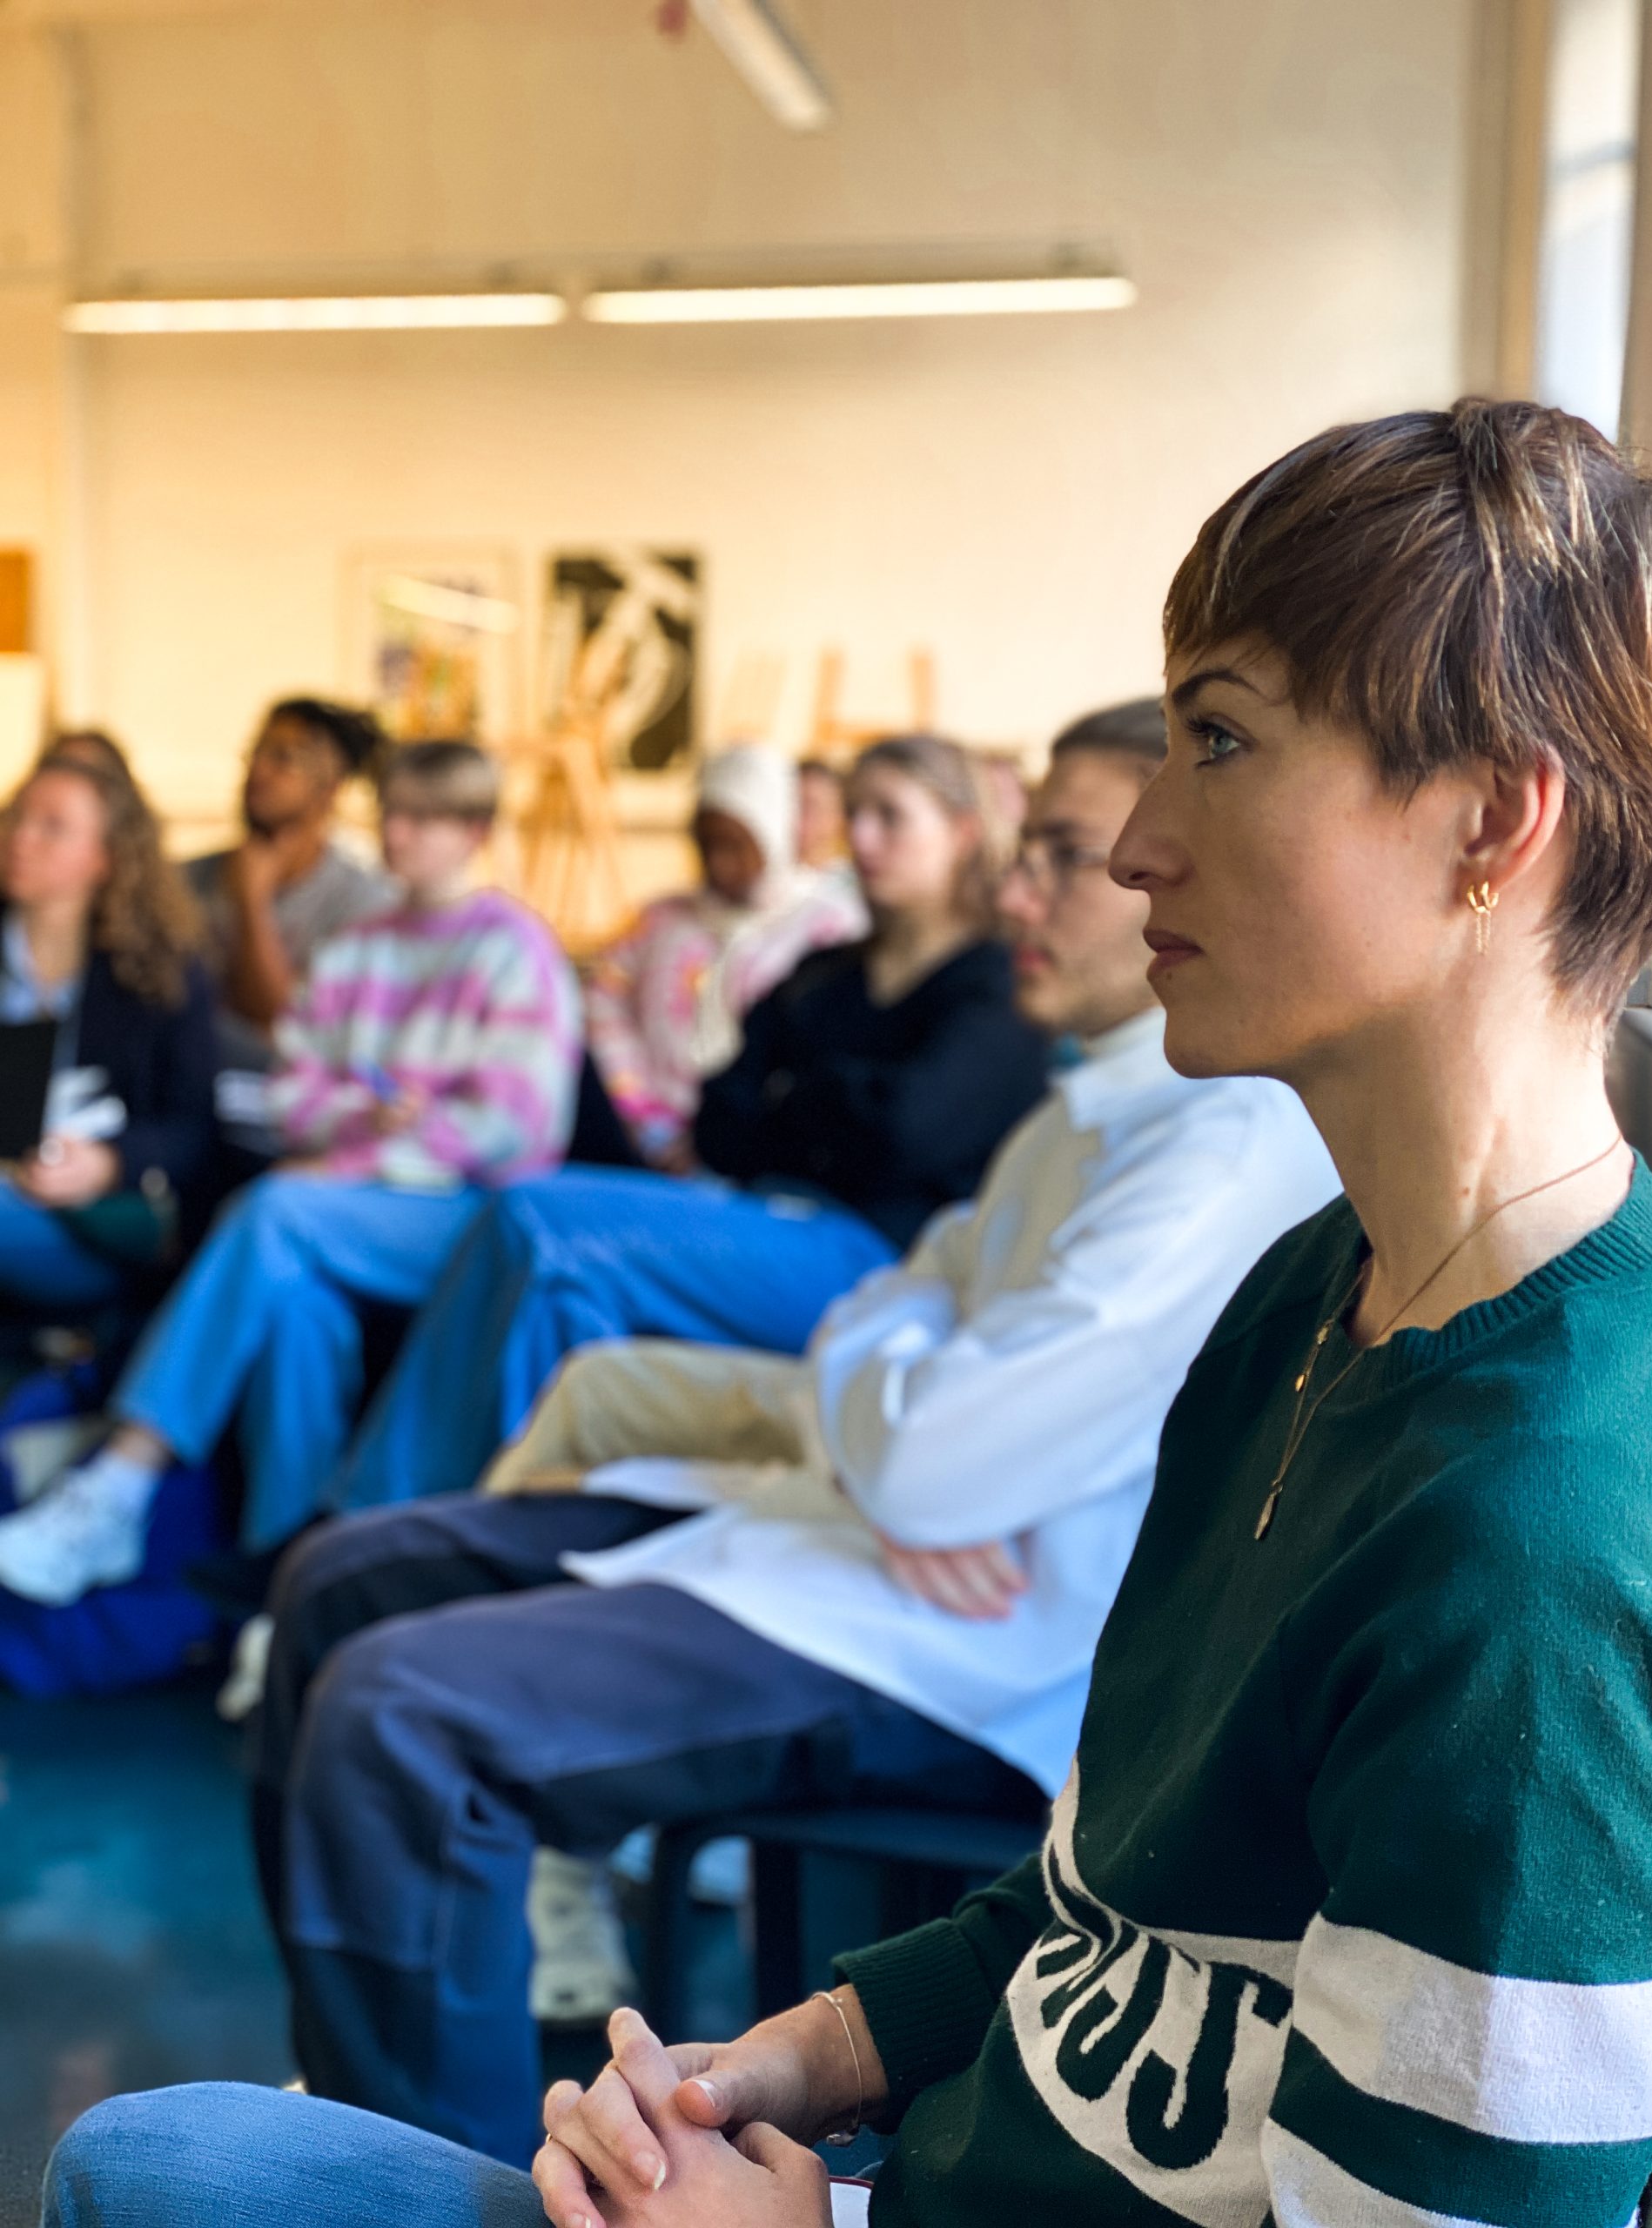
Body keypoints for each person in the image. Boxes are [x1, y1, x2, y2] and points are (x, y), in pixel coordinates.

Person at [52, 399, 1652, 2228]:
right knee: (146, 2149)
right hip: (898, 2163)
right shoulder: (1313, 1290)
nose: (1142, 841)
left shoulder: (1533, 1541)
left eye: (1220, 739)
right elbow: (1092, 1915)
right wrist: (794, 2058)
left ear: (1495, 822)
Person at [232, 696, 1336, 2158]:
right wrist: (906, 1406)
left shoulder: (1218, 1145)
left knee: (396, 1714)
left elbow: (924, 1407)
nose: (1026, 889)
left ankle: (433, 2177)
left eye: (1064, 854)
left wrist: (908, 1409)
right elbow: (885, 1305)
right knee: (338, 1582)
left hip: (968, 1645)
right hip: (868, 1536)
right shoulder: (1088, 1108)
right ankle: (371, 2108)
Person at [327, 733, 1050, 1520]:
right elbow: (719, 1121)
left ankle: (370, 1517)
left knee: (543, 1223)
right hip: (753, 1213)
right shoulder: (824, 973)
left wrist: (796, 1095)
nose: (863, 840)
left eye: (890, 817)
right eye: (854, 816)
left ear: (963, 831)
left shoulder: (1000, 984)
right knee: (559, 1279)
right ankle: (490, 1543)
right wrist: (829, 1105)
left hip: (883, 1258)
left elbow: (910, 1134)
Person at [0, 742, 582, 1606]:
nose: (399, 835)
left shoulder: (515, 948)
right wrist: (366, 1124)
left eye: (424, 819)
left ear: (475, 832)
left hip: (465, 1221)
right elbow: (289, 1096)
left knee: (278, 1210)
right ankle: (296, 1595)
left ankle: (120, 1480)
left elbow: (514, 1127)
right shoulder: (356, 949)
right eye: (390, 813)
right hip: (342, 1204)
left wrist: (365, 1150)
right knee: (295, 1312)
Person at [0, 751, 215, 1319]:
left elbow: (195, 1130)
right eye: (16, 816)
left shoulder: (158, 971)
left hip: (88, 1221)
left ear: (105, 857)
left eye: (53, 826)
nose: (21, 836)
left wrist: (108, 1162)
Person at [585, 744, 865, 1166]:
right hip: (642, 1141)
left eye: (737, 844)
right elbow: (603, 1004)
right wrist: (643, 1116)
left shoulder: (827, 929)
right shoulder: (661, 922)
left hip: (755, 1152)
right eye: (707, 844)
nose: (719, 863)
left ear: (774, 832)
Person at [185, 696, 395, 1070]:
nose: (257, 770)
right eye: (256, 752)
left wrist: (252, 902)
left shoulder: (365, 901)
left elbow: (288, 1023)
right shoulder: (185, 879)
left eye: (283, 758)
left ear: (329, 787)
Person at [795, 758, 850, 873]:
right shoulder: (762, 876)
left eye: (811, 807)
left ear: (839, 818)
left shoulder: (850, 883)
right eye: (794, 803)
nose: (796, 815)